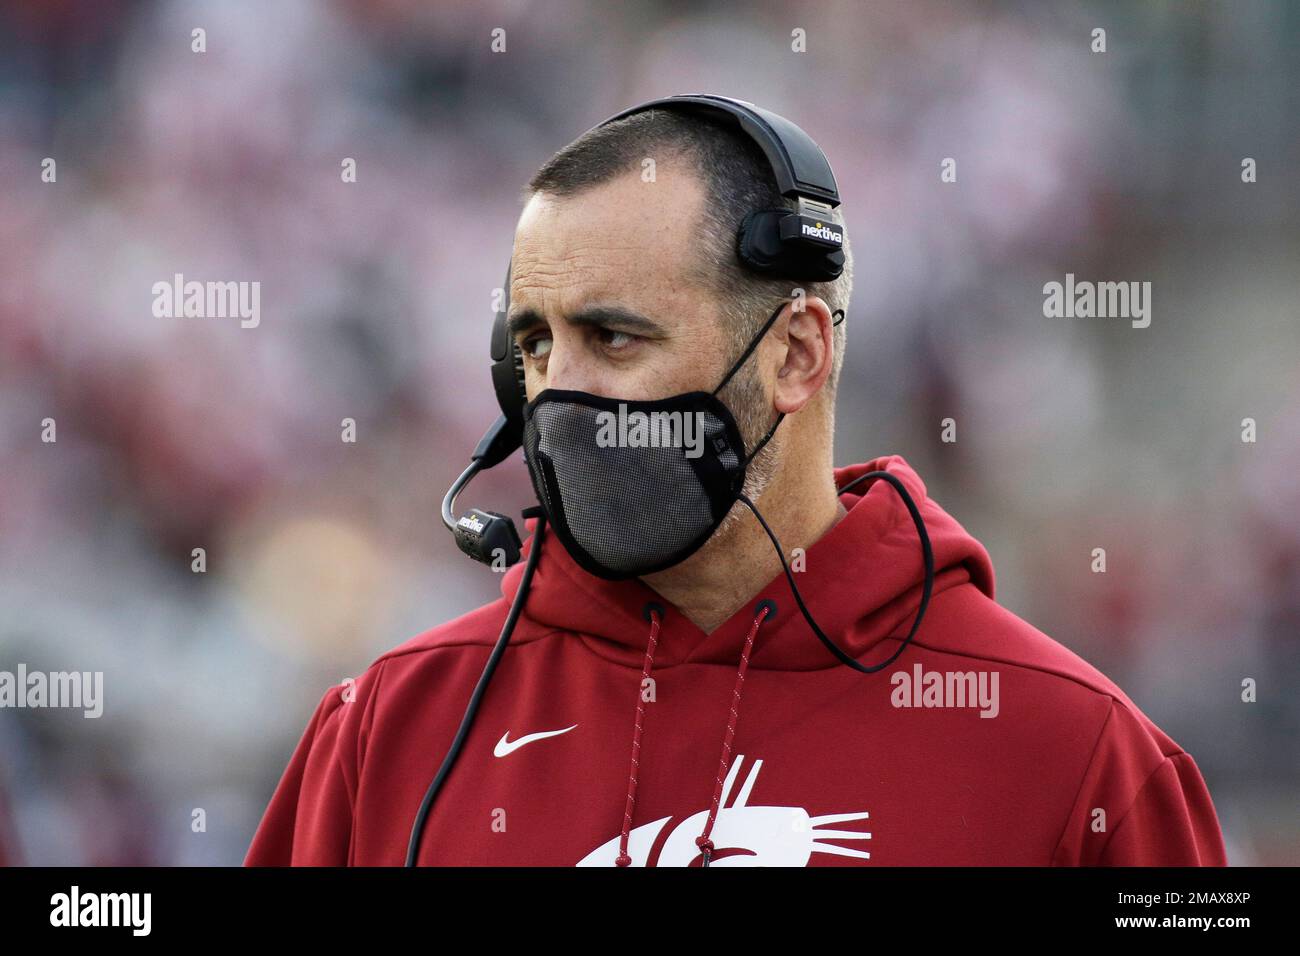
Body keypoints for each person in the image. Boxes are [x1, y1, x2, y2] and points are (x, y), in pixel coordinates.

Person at [246, 100, 1227, 866]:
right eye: (535, 346)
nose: (559, 396)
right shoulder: (387, 731)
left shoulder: (1075, 754)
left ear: (796, 353)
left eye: (615, 336)